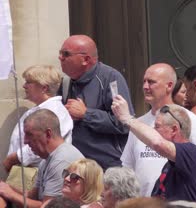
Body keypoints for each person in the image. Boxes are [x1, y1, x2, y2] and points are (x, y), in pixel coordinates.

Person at [119, 63, 196, 196]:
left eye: (151, 82)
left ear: (169, 86)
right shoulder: (138, 124)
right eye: (144, 81)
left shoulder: (187, 119)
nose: (145, 87)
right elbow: (128, 169)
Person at [112, 101, 196, 206]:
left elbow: (158, 143)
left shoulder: (193, 153)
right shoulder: (169, 166)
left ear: (174, 129)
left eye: (157, 127)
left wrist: (127, 119)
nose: (153, 131)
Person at [58, 35, 134, 170]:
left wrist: (86, 114)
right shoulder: (65, 83)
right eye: (60, 53)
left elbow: (123, 124)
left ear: (85, 60)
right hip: (78, 169)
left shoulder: (111, 79)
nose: (60, 58)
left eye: (66, 54)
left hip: (107, 169)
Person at [0, 109, 84, 208]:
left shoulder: (61, 160)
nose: (25, 141)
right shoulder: (46, 159)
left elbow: (48, 206)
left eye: (29, 134)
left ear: (48, 134)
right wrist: (6, 188)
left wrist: (11, 194)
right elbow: (32, 196)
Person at [3, 65, 73, 170]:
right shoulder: (39, 108)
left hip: (39, 172)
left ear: (44, 88)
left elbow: (45, 144)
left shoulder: (55, 111)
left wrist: (14, 158)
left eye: (28, 82)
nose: (24, 86)